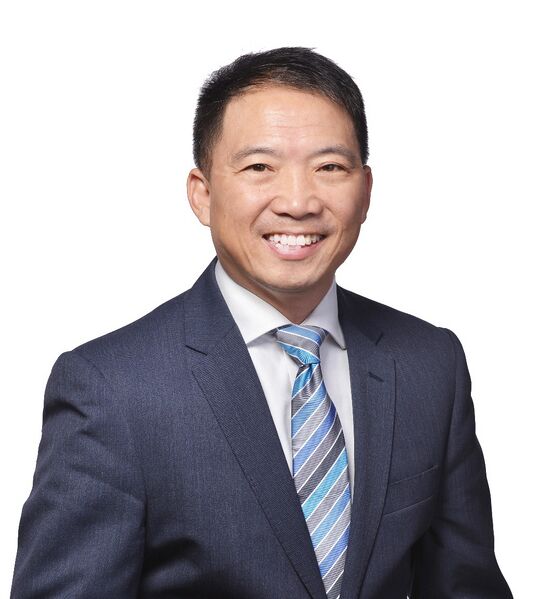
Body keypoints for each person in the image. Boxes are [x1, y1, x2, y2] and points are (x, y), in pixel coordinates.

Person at [11, 47, 512, 598]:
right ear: (202, 194)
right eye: (259, 168)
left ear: (366, 190)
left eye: (329, 167)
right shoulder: (112, 388)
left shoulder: (429, 364)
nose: (297, 202)